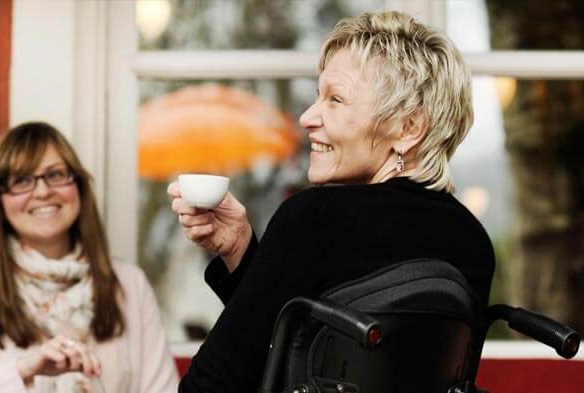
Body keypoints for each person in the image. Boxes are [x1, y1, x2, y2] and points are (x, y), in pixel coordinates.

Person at [169, 11, 495, 393]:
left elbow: (217, 383)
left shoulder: (316, 218)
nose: (307, 117)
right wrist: (242, 251)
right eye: (317, 96)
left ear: (408, 127)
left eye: (335, 99)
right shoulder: (473, 244)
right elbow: (294, 344)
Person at [0, 122, 178, 393]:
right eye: (21, 180)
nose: (42, 192)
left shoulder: (129, 284)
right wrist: (24, 368)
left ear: (78, 186)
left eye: (55, 175)